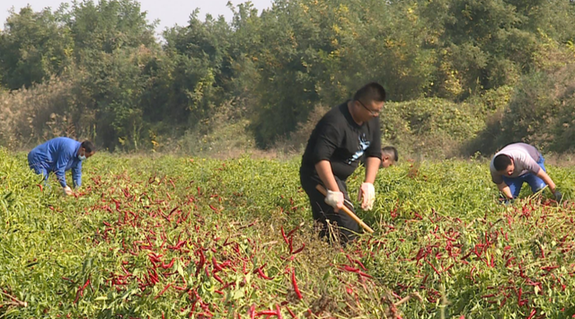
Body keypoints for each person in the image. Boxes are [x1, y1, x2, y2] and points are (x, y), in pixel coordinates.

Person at [300, 82, 386, 244]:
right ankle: (348, 259)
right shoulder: (335, 122)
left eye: (378, 111)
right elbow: (320, 159)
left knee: (328, 226)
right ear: (357, 105)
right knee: (347, 226)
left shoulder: (372, 119)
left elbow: (374, 153)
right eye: (372, 110)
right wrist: (333, 191)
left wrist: (369, 183)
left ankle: (321, 256)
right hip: (317, 175)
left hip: (338, 177)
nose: (375, 115)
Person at [490, 142, 561, 201]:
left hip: (532, 164)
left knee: (540, 189)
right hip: (515, 176)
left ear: (512, 161)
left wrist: (556, 192)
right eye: (505, 173)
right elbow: (501, 185)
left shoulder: (523, 158)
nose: (509, 174)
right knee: (506, 201)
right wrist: (510, 198)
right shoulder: (494, 168)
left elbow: (543, 176)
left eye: (510, 170)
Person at [28, 137, 96, 195]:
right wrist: (65, 186)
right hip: (39, 158)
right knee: (44, 187)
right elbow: (59, 169)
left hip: (49, 162)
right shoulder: (69, 148)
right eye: (88, 155)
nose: (87, 158)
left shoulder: (78, 156)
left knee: (45, 186)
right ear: (83, 150)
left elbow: (77, 173)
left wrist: (77, 189)